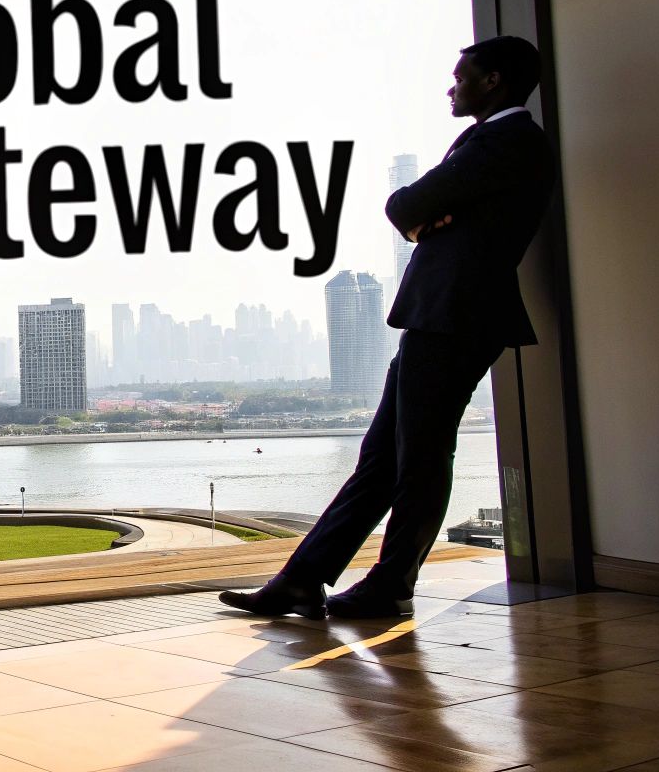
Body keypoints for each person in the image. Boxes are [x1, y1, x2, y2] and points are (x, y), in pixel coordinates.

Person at [222, 35, 555, 620]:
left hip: (458, 316)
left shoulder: (508, 141)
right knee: (381, 460)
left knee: (421, 458)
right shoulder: (488, 142)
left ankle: (392, 585)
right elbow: (420, 209)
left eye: (462, 75)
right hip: (437, 316)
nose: (452, 87)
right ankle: (303, 579)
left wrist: (424, 213)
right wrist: (428, 212)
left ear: (495, 80)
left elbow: (405, 204)